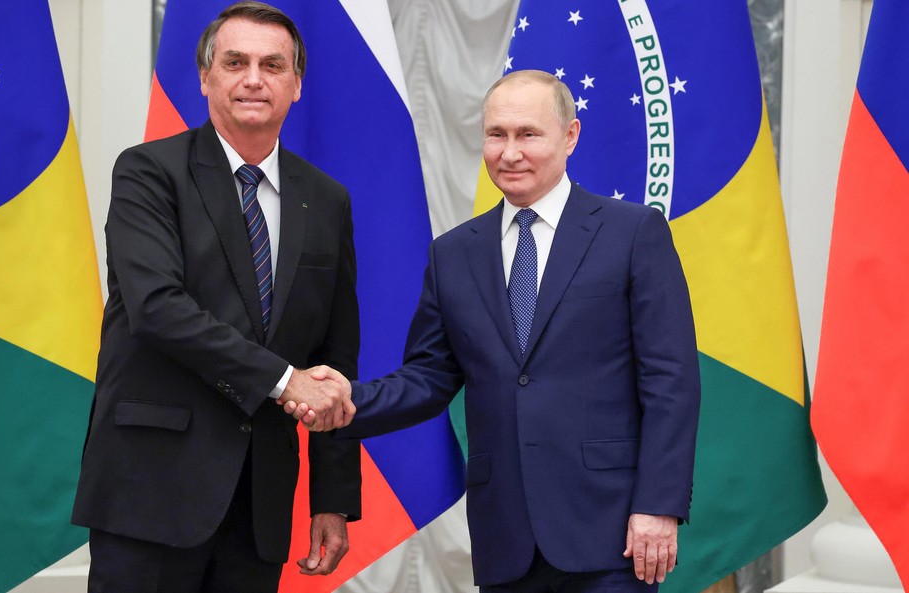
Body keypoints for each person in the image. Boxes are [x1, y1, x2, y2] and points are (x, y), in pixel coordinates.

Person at [290, 70, 701, 592]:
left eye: (528, 134)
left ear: (570, 135)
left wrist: (658, 505)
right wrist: (346, 401)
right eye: (496, 135)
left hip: (612, 532)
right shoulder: (453, 253)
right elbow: (429, 377)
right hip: (506, 537)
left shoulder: (633, 232)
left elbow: (671, 381)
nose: (510, 153)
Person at [72, 3, 359, 592]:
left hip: (260, 504)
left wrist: (331, 497)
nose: (254, 78)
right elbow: (158, 309)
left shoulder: (326, 199)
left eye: (272, 65)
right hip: (151, 494)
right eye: (235, 62)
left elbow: (335, 358)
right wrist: (284, 380)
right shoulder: (148, 173)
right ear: (206, 77)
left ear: (296, 84)